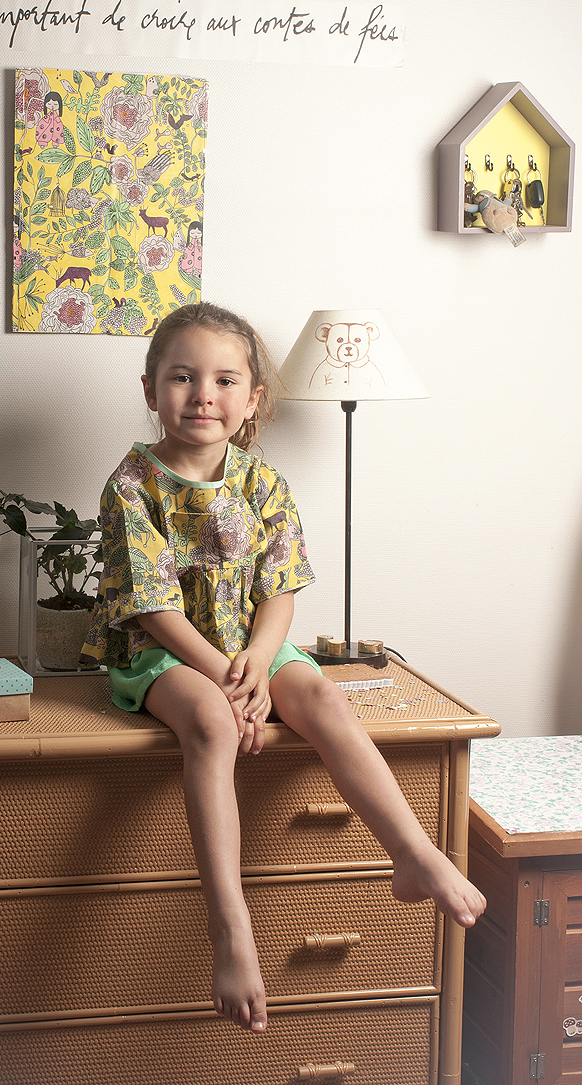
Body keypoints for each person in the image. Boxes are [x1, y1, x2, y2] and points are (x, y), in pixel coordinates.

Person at [81, 301, 485, 1036]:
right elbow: (152, 607)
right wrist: (232, 684)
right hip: (166, 653)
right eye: (182, 377)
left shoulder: (263, 482)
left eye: (224, 380)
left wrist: (261, 664)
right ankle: (230, 927)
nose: (203, 394)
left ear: (252, 399)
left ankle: (412, 853)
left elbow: (280, 590)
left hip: (252, 647)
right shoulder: (132, 486)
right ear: (150, 390)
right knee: (211, 723)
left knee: (326, 700)